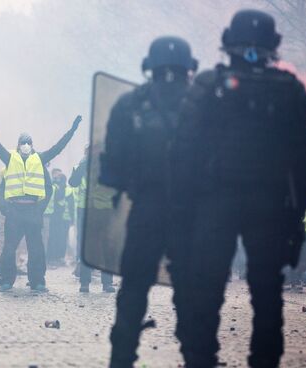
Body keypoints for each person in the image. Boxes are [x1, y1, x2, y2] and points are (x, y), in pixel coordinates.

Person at [173, 10, 306, 367]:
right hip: (269, 209)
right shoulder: (290, 91)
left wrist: (182, 213)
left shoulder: (207, 86)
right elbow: (304, 165)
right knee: (268, 298)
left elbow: (182, 155)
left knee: (206, 295)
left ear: (228, 43)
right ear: (273, 47)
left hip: (213, 206)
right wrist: (295, 221)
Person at [98, 35, 198, 366]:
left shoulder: (130, 104)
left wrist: (126, 184)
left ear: (148, 67)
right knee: (191, 297)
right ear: (190, 68)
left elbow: (112, 167)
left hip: (146, 211)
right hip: (189, 214)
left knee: (133, 293)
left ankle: (121, 360)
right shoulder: (206, 103)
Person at [0, 109, 80, 292]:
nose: (25, 145)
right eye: (23, 142)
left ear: (32, 145)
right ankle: (6, 280)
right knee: (9, 248)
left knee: (36, 249)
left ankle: (38, 281)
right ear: (18, 145)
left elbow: (58, 148)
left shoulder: (40, 158)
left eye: (28, 142)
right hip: (14, 210)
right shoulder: (10, 158)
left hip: (33, 211)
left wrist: (72, 130)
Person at [69, 153, 116, 293]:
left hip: (104, 209)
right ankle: (85, 282)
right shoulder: (81, 166)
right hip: (85, 209)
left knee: (106, 245)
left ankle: (107, 283)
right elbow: (73, 182)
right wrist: (83, 165)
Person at [45, 172, 74, 267]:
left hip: (57, 217)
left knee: (57, 238)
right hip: (58, 217)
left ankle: (55, 257)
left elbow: (70, 205)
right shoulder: (61, 189)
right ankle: (55, 257)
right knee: (57, 238)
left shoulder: (57, 188)